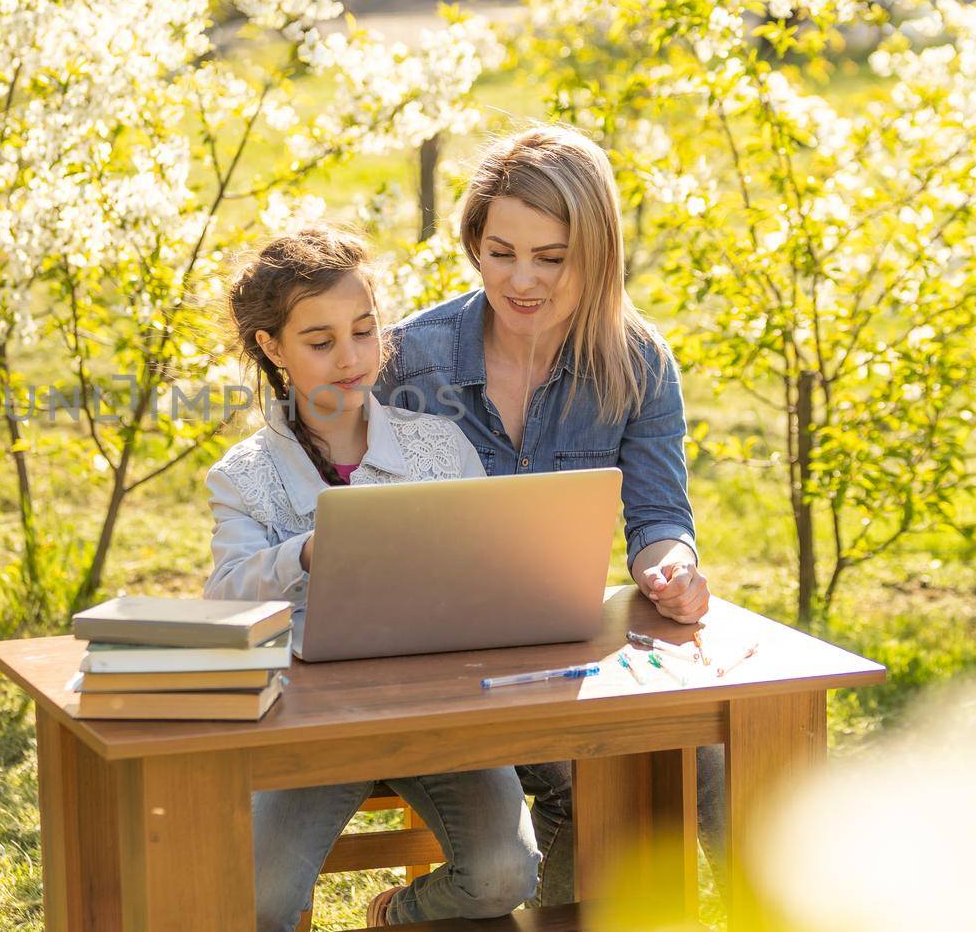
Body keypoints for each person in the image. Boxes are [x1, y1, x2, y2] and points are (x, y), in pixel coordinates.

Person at [374, 124, 724, 904]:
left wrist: (671, 565)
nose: (522, 280)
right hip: (435, 669)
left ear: (595, 252)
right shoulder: (410, 359)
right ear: (473, 242)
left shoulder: (636, 362)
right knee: (599, 782)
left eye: (552, 257)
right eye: (500, 252)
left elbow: (660, 514)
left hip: (558, 656)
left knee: (708, 759)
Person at [202, 227, 541, 930]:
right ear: (273, 348)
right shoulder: (243, 476)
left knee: (506, 873)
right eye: (320, 342)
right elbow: (224, 595)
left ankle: (394, 915)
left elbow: (493, 578)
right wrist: (303, 554)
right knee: (255, 899)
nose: (352, 359)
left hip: (442, 719)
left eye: (364, 331)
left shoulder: (438, 446)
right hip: (311, 731)